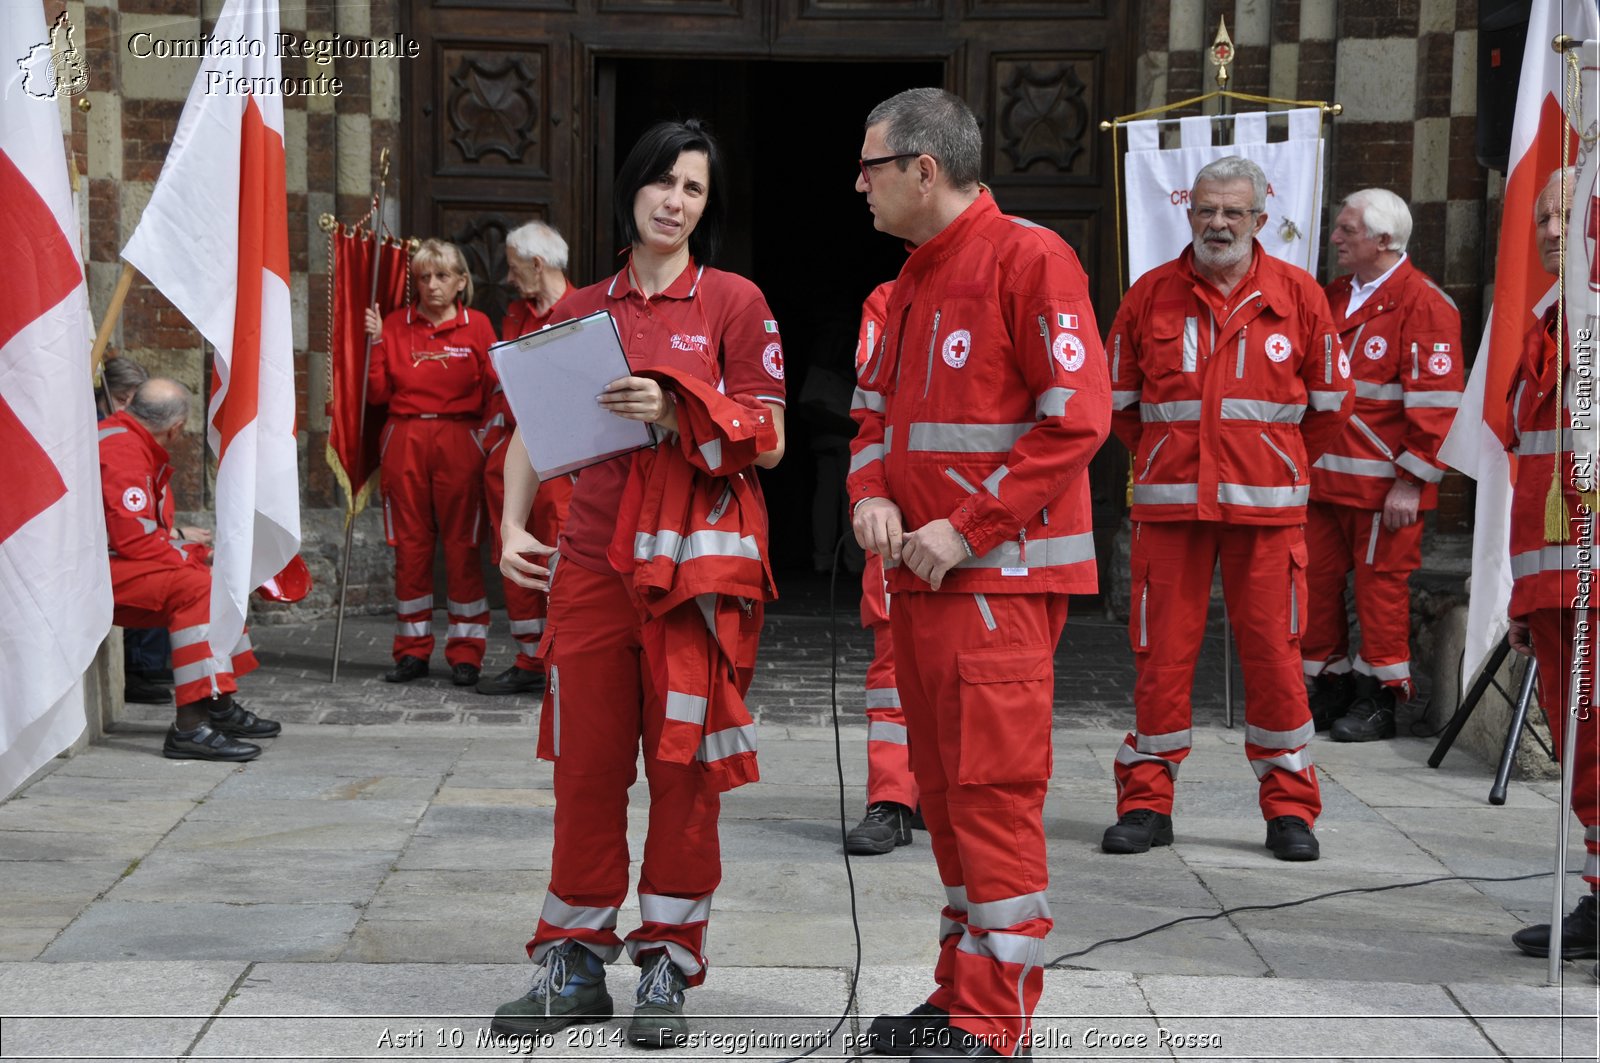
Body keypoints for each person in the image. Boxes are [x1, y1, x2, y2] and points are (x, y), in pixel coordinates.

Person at [489, 118, 786, 1048]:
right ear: (632, 190)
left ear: (708, 206)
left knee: (682, 768)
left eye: (693, 189)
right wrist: (506, 521)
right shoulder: (581, 302)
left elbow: (769, 437)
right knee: (585, 766)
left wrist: (675, 406)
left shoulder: (735, 301)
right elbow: (535, 428)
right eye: (663, 182)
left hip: (694, 573)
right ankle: (573, 959)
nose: (674, 201)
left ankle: (668, 958)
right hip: (590, 566)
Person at [847, 88, 1110, 1059]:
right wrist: (868, 495)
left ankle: (995, 1023)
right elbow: (870, 415)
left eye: (869, 166)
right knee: (948, 801)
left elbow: (1077, 416)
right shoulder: (911, 278)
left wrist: (967, 526)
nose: (859, 186)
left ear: (923, 168)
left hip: (994, 587)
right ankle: (959, 996)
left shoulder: (1031, 258)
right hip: (919, 584)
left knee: (992, 798)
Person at [1102, 156, 1352, 864]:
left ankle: (1290, 809)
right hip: (1171, 511)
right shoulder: (1148, 296)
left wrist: (1275, 462)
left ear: (1260, 220)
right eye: (1206, 210)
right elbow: (1118, 404)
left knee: (1277, 662)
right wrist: (1164, 459)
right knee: (1161, 662)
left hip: (1268, 517)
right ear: (1188, 212)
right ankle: (1147, 802)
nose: (1218, 223)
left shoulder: (1300, 296)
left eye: (1233, 212)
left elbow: (1331, 406)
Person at [1304, 189, 1463, 741]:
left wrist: (1412, 481)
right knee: (1316, 584)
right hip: (1321, 478)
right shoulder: (1331, 296)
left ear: (1384, 240)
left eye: (1348, 230)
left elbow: (1439, 406)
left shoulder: (1425, 304)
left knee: (1381, 593)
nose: (1336, 239)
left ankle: (1380, 699)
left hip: (1382, 489)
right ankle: (1330, 685)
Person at [1505, 167, 1599, 962]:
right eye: (1543, 216)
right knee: (1582, 761)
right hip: (1553, 586)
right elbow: (1530, 470)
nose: (1551, 229)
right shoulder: (1542, 324)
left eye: (1570, 213)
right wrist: (1520, 598)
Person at [99, 378, 280, 761]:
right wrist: (194, 555)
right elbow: (134, 540)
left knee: (207, 582)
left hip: (103, 562)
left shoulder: (124, 438)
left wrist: (196, 554)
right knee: (199, 587)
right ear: (175, 427)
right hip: (92, 570)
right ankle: (190, 727)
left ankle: (216, 703)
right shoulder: (123, 449)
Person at [364, 238, 498, 687]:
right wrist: (378, 344)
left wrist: (486, 441)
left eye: (442, 276)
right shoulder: (394, 325)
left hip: (459, 438)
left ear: (461, 281)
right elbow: (378, 395)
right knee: (411, 548)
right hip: (406, 436)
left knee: (463, 547)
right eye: (424, 277)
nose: (433, 286)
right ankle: (412, 650)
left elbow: (496, 388)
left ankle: (466, 652)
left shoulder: (478, 326)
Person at [477, 221, 576, 697]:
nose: (510, 281)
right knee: (513, 550)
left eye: (516, 270)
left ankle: (562, 656)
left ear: (538, 265)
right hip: (515, 451)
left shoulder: (583, 310)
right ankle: (527, 658)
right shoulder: (515, 314)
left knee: (558, 549)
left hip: (563, 455)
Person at [844, 281, 920, 856]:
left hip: (996, 519)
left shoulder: (1020, 282)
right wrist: (869, 495)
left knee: (992, 677)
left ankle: (965, 802)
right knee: (894, 667)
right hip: (904, 517)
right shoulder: (888, 300)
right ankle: (892, 799)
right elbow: (869, 417)